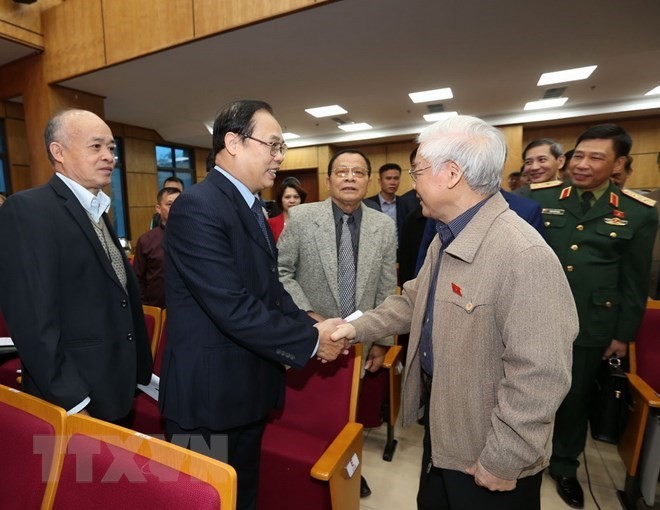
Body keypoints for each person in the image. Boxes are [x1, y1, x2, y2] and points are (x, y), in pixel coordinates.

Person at [331, 115, 578, 510]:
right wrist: (351, 328)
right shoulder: (447, 236)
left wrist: (504, 458)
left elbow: (541, 374)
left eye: (418, 171)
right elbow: (412, 301)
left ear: (450, 174)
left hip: (488, 453)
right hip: (447, 431)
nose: (413, 183)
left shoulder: (522, 254)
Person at [159, 99, 346, 510]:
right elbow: (232, 306)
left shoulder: (251, 207)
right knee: (202, 501)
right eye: (273, 145)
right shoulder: (198, 206)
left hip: (246, 390)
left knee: (241, 498)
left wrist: (311, 320)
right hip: (206, 400)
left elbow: (269, 291)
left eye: (282, 147)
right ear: (234, 142)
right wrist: (311, 340)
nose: (280, 157)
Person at [529, 124, 658, 509]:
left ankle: (565, 466)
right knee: (529, 389)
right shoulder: (542, 198)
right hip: (536, 314)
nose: (583, 164)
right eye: (579, 155)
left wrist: (623, 333)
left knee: (576, 396)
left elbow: (635, 281)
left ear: (619, 163)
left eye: (596, 157)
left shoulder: (637, 212)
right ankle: (527, 457)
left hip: (591, 322)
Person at [0, 108, 153, 422]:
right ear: (59, 152)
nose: (109, 156)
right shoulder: (29, 210)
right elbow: (32, 318)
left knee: (109, 472)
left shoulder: (96, 209)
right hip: (73, 397)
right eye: (96, 146)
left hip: (115, 387)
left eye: (111, 148)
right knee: (79, 473)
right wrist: (72, 399)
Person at [277, 148, 398, 499]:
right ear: (328, 179)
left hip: (360, 342)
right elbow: (281, 273)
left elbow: (386, 289)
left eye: (357, 172)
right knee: (310, 413)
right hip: (308, 336)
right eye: (341, 171)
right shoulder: (300, 217)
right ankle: (308, 469)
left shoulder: (384, 225)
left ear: (368, 181)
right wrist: (312, 319)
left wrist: (380, 340)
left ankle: (347, 470)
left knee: (348, 414)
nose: (349, 178)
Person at [133, 186, 181, 307]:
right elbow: (138, 279)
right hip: (157, 308)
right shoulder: (146, 241)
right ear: (158, 209)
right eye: (170, 204)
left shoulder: (195, 237)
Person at [364, 163, 406, 253]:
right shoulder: (367, 204)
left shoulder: (405, 203)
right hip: (375, 252)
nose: (392, 182)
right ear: (380, 181)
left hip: (400, 253)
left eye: (396, 178)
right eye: (388, 178)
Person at [267, 176, 307, 242]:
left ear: (301, 200)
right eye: (287, 197)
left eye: (296, 197)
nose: (292, 201)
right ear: (281, 200)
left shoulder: (308, 223)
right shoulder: (270, 224)